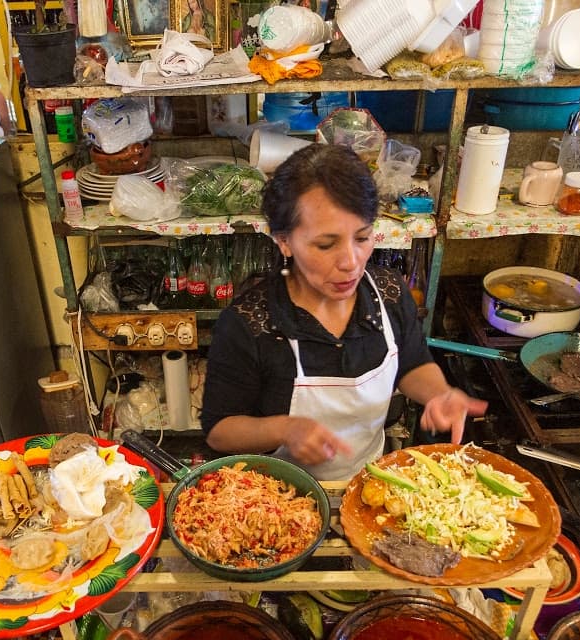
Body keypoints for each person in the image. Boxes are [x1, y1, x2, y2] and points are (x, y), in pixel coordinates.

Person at [201, 144, 487, 481]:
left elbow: (412, 364)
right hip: (276, 498)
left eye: (363, 237)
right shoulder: (250, 323)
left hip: (370, 483)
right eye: (326, 244)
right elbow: (219, 431)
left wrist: (439, 395)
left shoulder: (389, 294)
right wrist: (284, 429)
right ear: (284, 241)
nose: (351, 262)